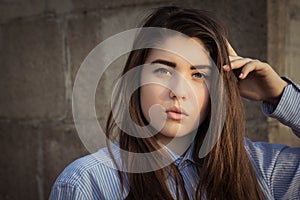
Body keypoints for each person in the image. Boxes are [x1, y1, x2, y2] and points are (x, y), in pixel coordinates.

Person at [49, 6, 300, 200]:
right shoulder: (86, 183)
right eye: (164, 71)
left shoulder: (262, 168)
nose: (179, 92)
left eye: (198, 75)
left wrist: (279, 94)